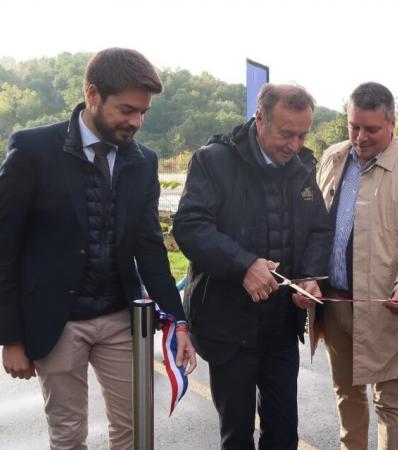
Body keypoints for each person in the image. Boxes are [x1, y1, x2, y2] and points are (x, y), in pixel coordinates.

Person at [0, 47, 196, 450]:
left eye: (142, 112)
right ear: (92, 94)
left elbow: (150, 248)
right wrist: (11, 338)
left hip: (120, 317)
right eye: (126, 110)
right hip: (55, 321)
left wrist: (178, 321)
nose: (136, 122)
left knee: (135, 430)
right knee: (69, 436)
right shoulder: (33, 150)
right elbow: (5, 247)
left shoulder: (143, 162)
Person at [172, 83, 331, 450]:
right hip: (229, 325)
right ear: (259, 118)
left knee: (283, 432)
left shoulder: (302, 166)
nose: (294, 144)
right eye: (286, 134)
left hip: (281, 325)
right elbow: (190, 226)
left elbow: (319, 229)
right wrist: (243, 265)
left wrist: (309, 274)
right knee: (237, 433)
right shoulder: (214, 160)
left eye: (303, 134)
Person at [315, 82, 398, 450]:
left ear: (392, 124)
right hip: (336, 302)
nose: (360, 137)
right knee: (345, 390)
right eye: (353, 126)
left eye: (371, 129)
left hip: (388, 306)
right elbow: (316, 226)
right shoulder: (334, 157)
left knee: (389, 397)